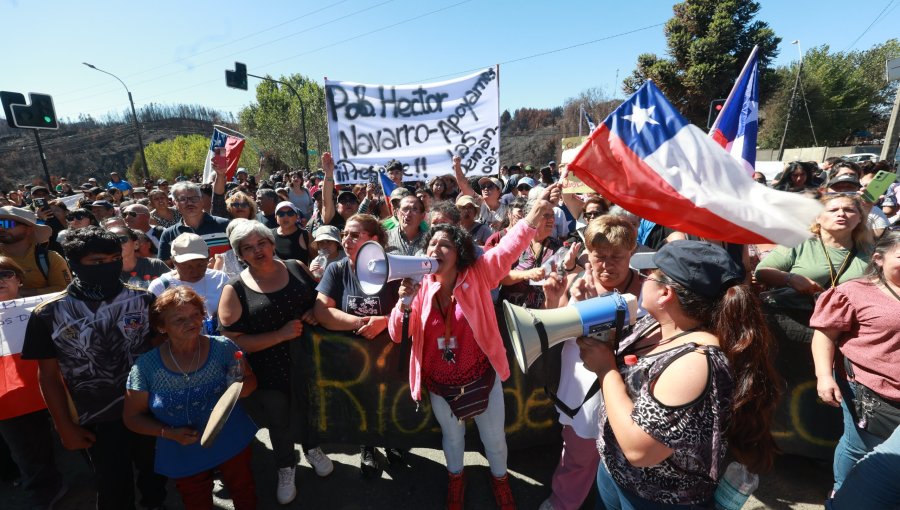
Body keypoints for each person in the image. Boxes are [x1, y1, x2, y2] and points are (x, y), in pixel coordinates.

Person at [578, 240, 780, 508]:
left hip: (657, 496)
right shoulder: (658, 322)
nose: (644, 277)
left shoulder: (695, 362)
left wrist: (606, 370)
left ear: (665, 294)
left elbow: (641, 451)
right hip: (618, 474)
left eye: (650, 273)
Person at [388, 198, 554, 510]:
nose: (436, 248)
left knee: (494, 440)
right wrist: (404, 303)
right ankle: (456, 480)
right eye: (432, 243)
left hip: (481, 379)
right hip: (442, 387)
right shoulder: (419, 288)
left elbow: (505, 253)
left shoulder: (477, 276)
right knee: (452, 440)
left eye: (445, 244)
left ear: (459, 252)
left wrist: (530, 220)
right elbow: (397, 333)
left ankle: (501, 480)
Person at [20, 226, 167, 510]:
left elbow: (159, 352)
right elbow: (48, 376)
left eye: (114, 258)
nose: (108, 266)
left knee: (156, 478)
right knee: (113, 488)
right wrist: (64, 426)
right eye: (97, 262)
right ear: (75, 264)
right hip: (96, 420)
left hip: (148, 408)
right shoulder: (49, 313)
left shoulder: (143, 299)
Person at [218, 221, 332, 505]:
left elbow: (320, 299)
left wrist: (315, 313)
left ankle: (312, 448)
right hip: (268, 369)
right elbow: (232, 340)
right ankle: (285, 466)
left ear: (272, 243)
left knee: (310, 409)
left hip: (309, 361)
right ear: (240, 254)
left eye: (262, 243)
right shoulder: (235, 289)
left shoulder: (295, 266)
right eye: (248, 248)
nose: (257, 251)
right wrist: (279, 335)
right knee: (279, 422)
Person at [124, 286, 258, 510]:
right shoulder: (146, 367)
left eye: (196, 314)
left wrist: (242, 388)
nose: (191, 322)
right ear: (161, 327)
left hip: (230, 437)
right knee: (195, 500)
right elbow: (132, 417)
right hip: (182, 446)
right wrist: (168, 433)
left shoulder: (223, 348)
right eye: (179, 319)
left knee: (244, 490)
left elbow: (250, 380)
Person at [539, 216, 635, 510]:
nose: (606, 264)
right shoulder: (579, 281)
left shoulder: (645, 292)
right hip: (581, 393)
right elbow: (558, 331)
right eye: (599, 256)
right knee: (578, 455)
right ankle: (562, 503)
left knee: (622, 461)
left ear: (631, 252)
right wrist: (553, 303)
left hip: (624, 392)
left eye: (616, 256)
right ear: (587, 255)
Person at [312, 213, 403, 478]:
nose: (346, 240)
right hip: (353, 355)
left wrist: (385, 322)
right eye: (344, 235)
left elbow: (412, 308)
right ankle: (367, 447)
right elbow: (322, 312)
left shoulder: (395, 267)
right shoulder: (337, 269)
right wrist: (360, 323)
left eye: (355, 234)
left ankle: (394, 443)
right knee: (361, 403)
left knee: (389, 401)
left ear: (374, 240)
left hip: (388, 352)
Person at [810, 230, 900, 497]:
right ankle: (842, 491)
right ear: (878, 259)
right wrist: (824, 376)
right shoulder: (853, 292)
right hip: (869, 391)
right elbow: (824, 335)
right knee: (859, 447)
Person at [755, 194, 873, 343]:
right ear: (818, 218)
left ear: (860, 218)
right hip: (798, 323)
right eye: (833, 210)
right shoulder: (800, 242)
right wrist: (791, 278)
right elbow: (762, 272)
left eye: (849, 210)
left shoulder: (870, 250)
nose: (841, 214)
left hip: (850, 327)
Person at [0, 257, 66, 509]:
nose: (0, 281)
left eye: (5, 274)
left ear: (18, 279)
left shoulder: (45, 309)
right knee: (28, 452)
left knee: (83, 434)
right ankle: (46, 489)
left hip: (57, 384)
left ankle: (103, 476)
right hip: (10, 397)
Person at [149, 233, 230, 317]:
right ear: (174, 261)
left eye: (200, 265)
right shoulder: (160, 287)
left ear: (208, 256)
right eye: (187, 266)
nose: (195, 272)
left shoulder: (220, 278)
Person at [0, 206, 71, 297]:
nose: (1, 228)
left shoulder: (51, 259)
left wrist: (21, 294)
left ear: (29, 229)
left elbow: (65, 290)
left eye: (7, 224)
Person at [158, 182, 231, 264]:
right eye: (183, 199)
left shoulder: (224, 225)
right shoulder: (169, 235)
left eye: (194, 198)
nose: (189, 203)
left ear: (201, 200)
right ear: (175, 203)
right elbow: (166, 267)